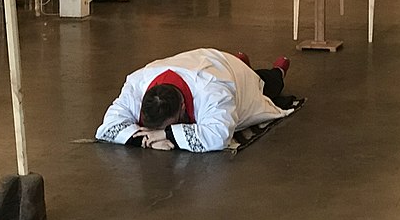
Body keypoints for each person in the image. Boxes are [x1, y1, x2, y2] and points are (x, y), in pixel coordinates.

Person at [96, 48, 292, 152]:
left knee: (265, 85)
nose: (155, 132)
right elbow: (106, 128)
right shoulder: (136, 85)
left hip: (223, 71)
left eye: (166, 126)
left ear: (182, 107)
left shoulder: (212, 90)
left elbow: (218, 137)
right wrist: (147, 141)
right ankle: (241, 62)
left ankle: (277, 71)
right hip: (200, 63)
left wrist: (166, 135)